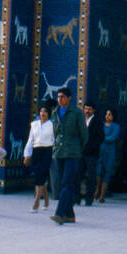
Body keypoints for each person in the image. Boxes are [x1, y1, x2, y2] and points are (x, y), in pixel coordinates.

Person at [50, 87, 86, 225]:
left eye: (63, 96)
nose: (60, 99)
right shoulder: (55, 113)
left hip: (72, 153)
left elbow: (84, 134)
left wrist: (78, 149)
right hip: (59, 152)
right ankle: (70, 215)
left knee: (66, 182)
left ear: (69, 98)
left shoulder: (76, 113)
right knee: (64, 183)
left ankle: (59, 213)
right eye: (58, 97)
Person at [23, 105, 55, 211]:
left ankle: (37, 200)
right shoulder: (34, 125)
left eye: (45, 111)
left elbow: (54, 140)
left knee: (41, 173)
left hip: (47, 151)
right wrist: (27, 155)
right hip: (36, 151)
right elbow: (30, 140)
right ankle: (46, 198)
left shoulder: (52, 125)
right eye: (41, 111)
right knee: (38, 175)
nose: (43, 113)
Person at [80, 99, 104, 206]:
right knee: (78, 175)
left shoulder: (97, 122)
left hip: (92, 154)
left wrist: (91, 147)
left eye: (89, 109)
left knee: (91, 176)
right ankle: (77, 197)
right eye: (86, 109)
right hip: (80, 152)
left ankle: (89, 198)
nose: (87, 111)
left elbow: (100, 138)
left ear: (93, 110)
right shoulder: (81, 120)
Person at [95, 108, 121, 203]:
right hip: (100, 149)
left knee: (107, 171)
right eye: (106, 114)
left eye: (110, 114)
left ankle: (102, 194)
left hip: (109, 151)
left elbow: (112, 138)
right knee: (98, 170)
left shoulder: (116, 126)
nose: (107, 116)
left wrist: (101, 138)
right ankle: (97, 189)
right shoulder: (101, 125)